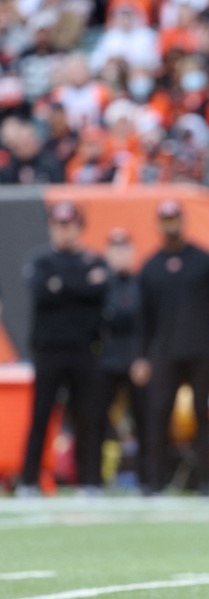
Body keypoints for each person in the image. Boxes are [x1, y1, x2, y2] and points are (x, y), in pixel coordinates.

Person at [132, 199, 209, 495]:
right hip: (164, 352)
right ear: (158, 224)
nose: (170, 224)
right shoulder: (150, 267)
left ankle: (206, 480)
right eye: (165, 219)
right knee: (158, 413)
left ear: (182, 221)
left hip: (201, 349)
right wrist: (141, 356)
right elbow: (144, 318)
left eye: (174, 218)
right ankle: (155, 481)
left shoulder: (205, 260)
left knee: (202, 414)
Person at [17, 201, 108, 496]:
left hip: (84, 349)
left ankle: (90, 482)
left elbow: (99, 290)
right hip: (49, 350)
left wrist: (63, 286)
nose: (64, 232)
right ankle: (29, 481)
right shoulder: (41, 260)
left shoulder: (93, 261)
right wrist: (80, 286)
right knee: (40, 416)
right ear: (51, 228)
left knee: (88, 418)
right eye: (58, 226)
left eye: (69, 226)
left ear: (79, 228)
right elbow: (43, 291)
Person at [95, 228, 146, 490]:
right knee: (98, 420)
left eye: (124, 248)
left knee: (143, 419)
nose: (120, 254)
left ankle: (146, 478)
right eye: (115, 248)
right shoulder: (99, 283)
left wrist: (142, 357)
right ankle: (97, 477)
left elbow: (146, 324)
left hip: (135, 360)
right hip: (105, 360)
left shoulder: (141, 283)